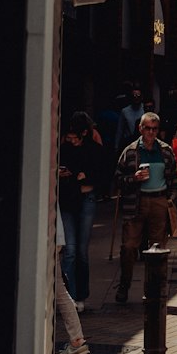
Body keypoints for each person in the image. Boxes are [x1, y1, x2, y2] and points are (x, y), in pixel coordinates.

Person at [113, 111, 177, 304]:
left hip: (159, 201)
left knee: (158, 248)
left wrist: (172, 198)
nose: (151, 132)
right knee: (128, 247)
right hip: (136, 201)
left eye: (154, 129)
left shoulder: (166, 150)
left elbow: (174, 178)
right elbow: (117, 179)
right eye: (147, 128)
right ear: (140, 128)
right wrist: (133, 178)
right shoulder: (131, 151)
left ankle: (154, 290)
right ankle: (124, 286)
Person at [58, 110, 106, 308]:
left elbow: (99, 177)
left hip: (83, 198)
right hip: (71, 199)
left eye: (75, 138)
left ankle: (79, 295)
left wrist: (80, 180)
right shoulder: (65, 149)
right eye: (69, 138)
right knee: (70, 249)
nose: (72, 141)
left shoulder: (93, 150)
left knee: (80, 250)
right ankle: (70, 295)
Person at [55, 207, 89, 354]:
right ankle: (77, 339)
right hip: (52, 236)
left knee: (58, 290)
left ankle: (77, 339)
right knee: (59, 289)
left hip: (47, 237)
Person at [114, 84, 144, 154]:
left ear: (141, 97)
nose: (136, 97)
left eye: (138, 95)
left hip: (143, 141)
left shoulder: (145, 109)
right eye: (134, 95)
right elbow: (120, 130)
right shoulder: (125, 111)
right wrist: (116, 147)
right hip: (128, 142)